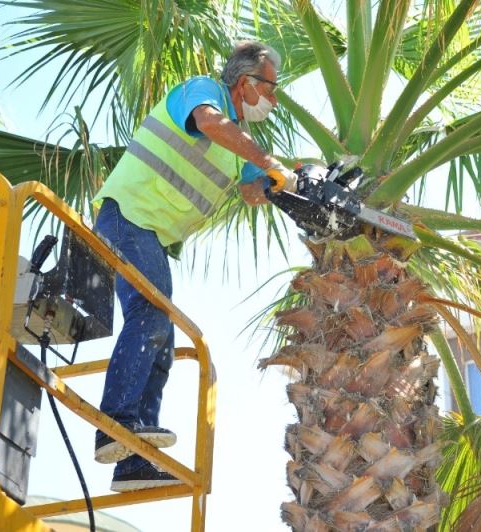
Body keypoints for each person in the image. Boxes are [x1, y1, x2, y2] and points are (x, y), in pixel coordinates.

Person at [90, 41, 296, 492]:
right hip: (128, 215)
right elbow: (208, 123)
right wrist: (268, 161)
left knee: (161, 339)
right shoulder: (203, 93)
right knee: (150, 315)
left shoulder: (237, 140)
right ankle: (114, 425)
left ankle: (134, 460)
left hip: (150, 235)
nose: (274, 100)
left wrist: (288, 183)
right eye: (270, 89)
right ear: (245, 82)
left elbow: (251, 191)